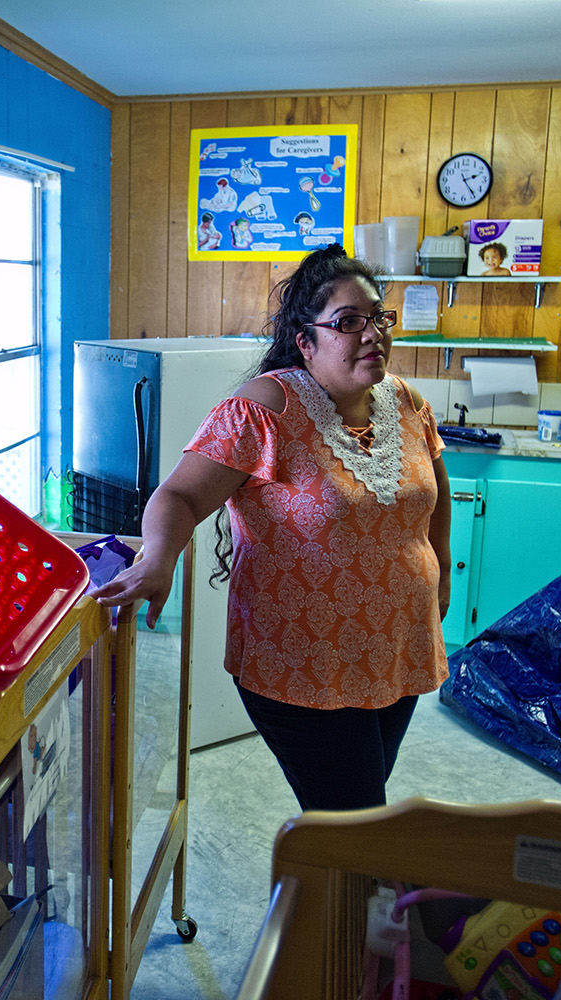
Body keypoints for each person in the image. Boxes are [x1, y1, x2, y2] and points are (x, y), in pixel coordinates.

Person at [89, 244, 451, 811]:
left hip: (398, 647)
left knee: (359, 807)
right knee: (353, 817)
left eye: (379, 318)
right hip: (304, 661)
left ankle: (345, 894)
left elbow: (433, 486)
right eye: (348, 322)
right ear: (305, 342)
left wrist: (440, 568)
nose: (372, 333)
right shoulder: (263, 411)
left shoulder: (407, 403)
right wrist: (159, 558)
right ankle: (340, 897)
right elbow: (180, 496)